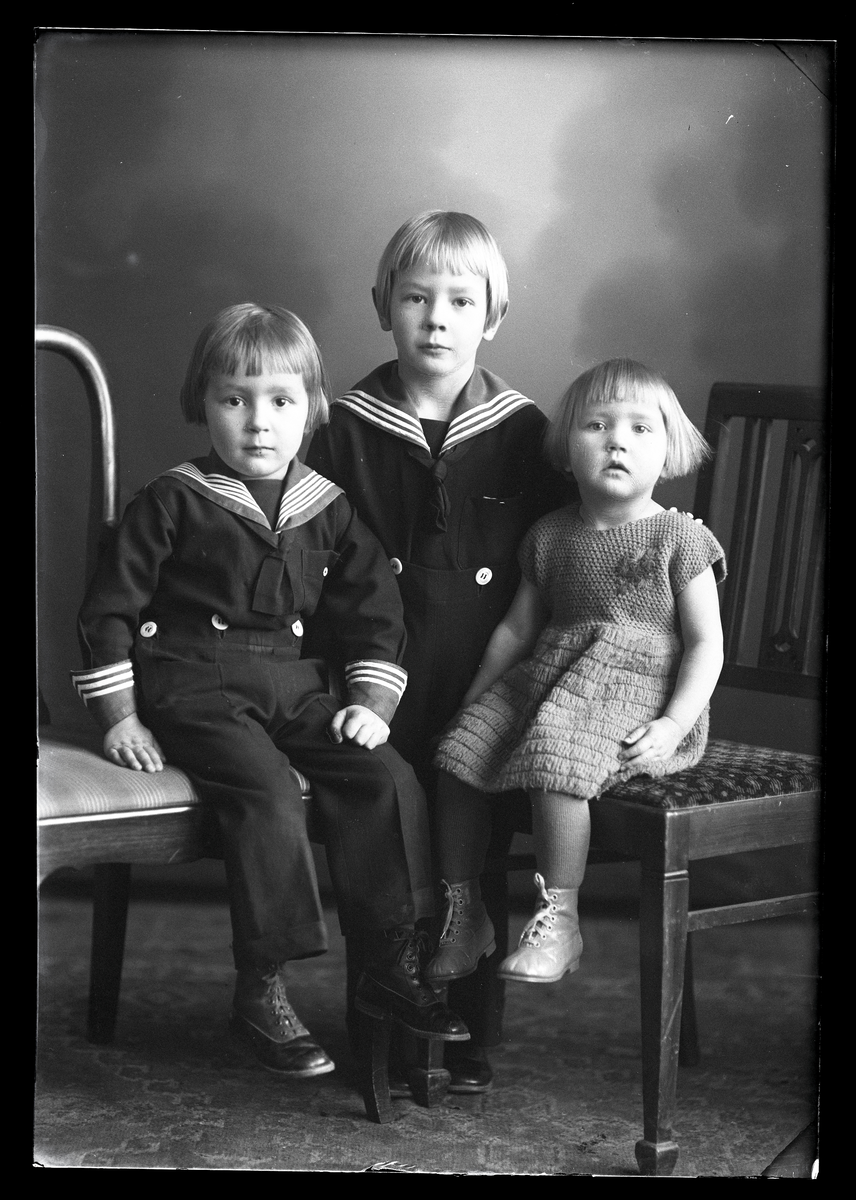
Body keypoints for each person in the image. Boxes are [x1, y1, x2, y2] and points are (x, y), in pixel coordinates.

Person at [72, 302, 468, 1082]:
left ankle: (389, 962)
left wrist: (371, 705)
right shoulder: (176, 499)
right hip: (194, 683)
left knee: (385, 778)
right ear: (203, 403)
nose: (259, 422)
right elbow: (107, 611)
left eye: (281, 401)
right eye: (235, 399)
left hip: (294, 684)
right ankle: (261, 984)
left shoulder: (328, 508)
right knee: (266, 788)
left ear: (311, 408)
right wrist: (119, 715)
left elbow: (374, 615)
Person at [305, 211, 572, 1093]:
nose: (437, 318)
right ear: (382, 305)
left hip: (485, 673)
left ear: (494, 316)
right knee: (384, 838)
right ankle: (379, 1035)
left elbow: (565, 552)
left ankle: (469, 1044)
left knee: (474, 847)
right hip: (375, 676)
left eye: (461, 301)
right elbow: (309, 552)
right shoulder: (342, 429)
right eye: (416, 298)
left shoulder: (525, 432)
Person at [427, 358, 725, 987]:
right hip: (554, 677)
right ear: (565, 448)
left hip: (640, 690)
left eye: (641, 429)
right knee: (456, 754)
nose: (617, 441)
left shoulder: (680, 539)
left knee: (555, 760)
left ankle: (560, 920)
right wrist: (474, 699)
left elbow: (706, 646)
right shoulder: (550, 535)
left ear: (669, 450)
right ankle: (467, 913)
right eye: (597, 425)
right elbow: (517, 631)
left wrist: (675, 723)